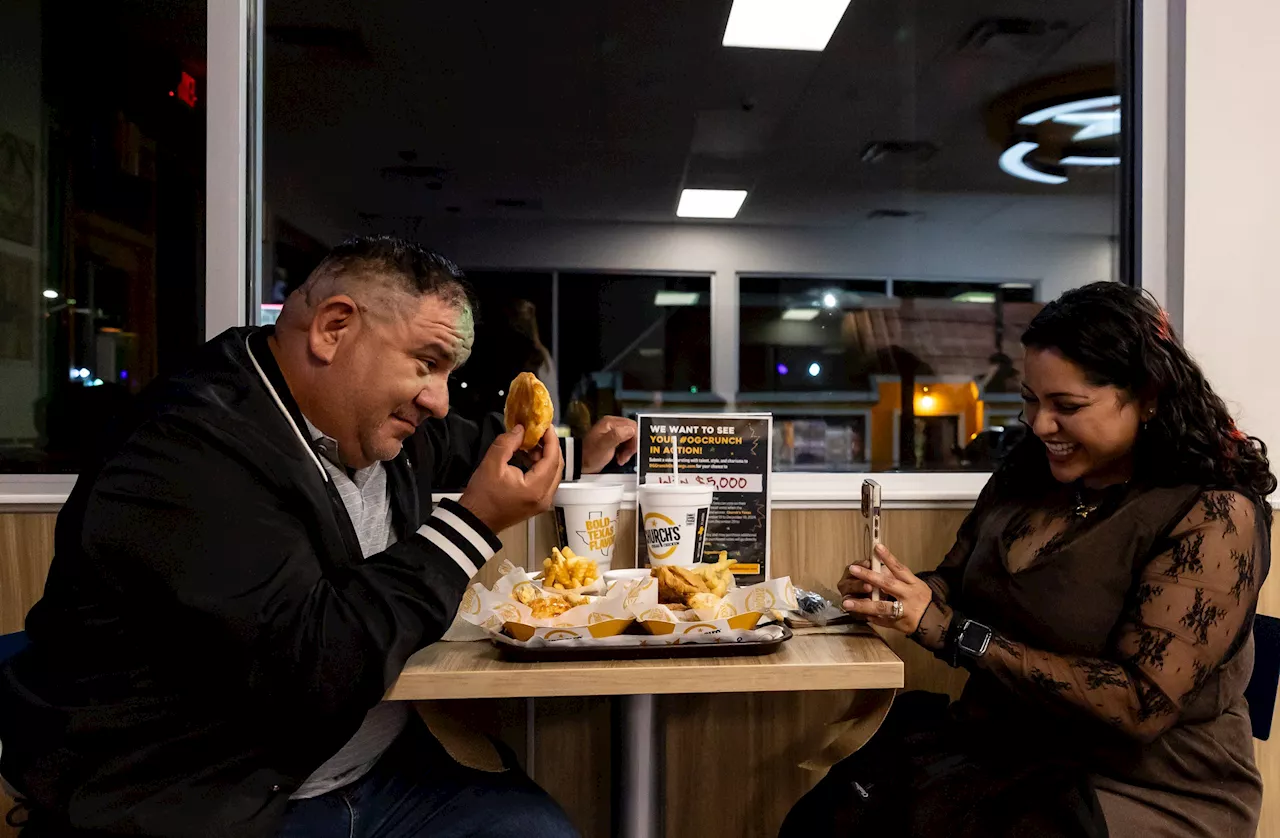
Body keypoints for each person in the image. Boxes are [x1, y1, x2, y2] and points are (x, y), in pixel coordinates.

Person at [0, 235, 639, 837]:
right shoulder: (183, 454)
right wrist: (471, 526)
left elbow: (479, 450)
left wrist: (582, 454)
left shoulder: (376, 424)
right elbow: (315, 668)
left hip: (382, 771)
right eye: (427, 363)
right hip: (213, 801)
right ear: (335, 329)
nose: (441, 401)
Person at [784, 282, 1274, 837]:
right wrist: (896, 597)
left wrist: (954, 634)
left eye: (1067, 406)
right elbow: (954, 585)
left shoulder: (1212, 513)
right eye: (1030, 401)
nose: (1040, 425)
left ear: (1149, 395)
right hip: (1012, 751)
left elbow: (1138, 705)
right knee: (827, 819)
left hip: (1146, 788)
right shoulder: (1030, 472)